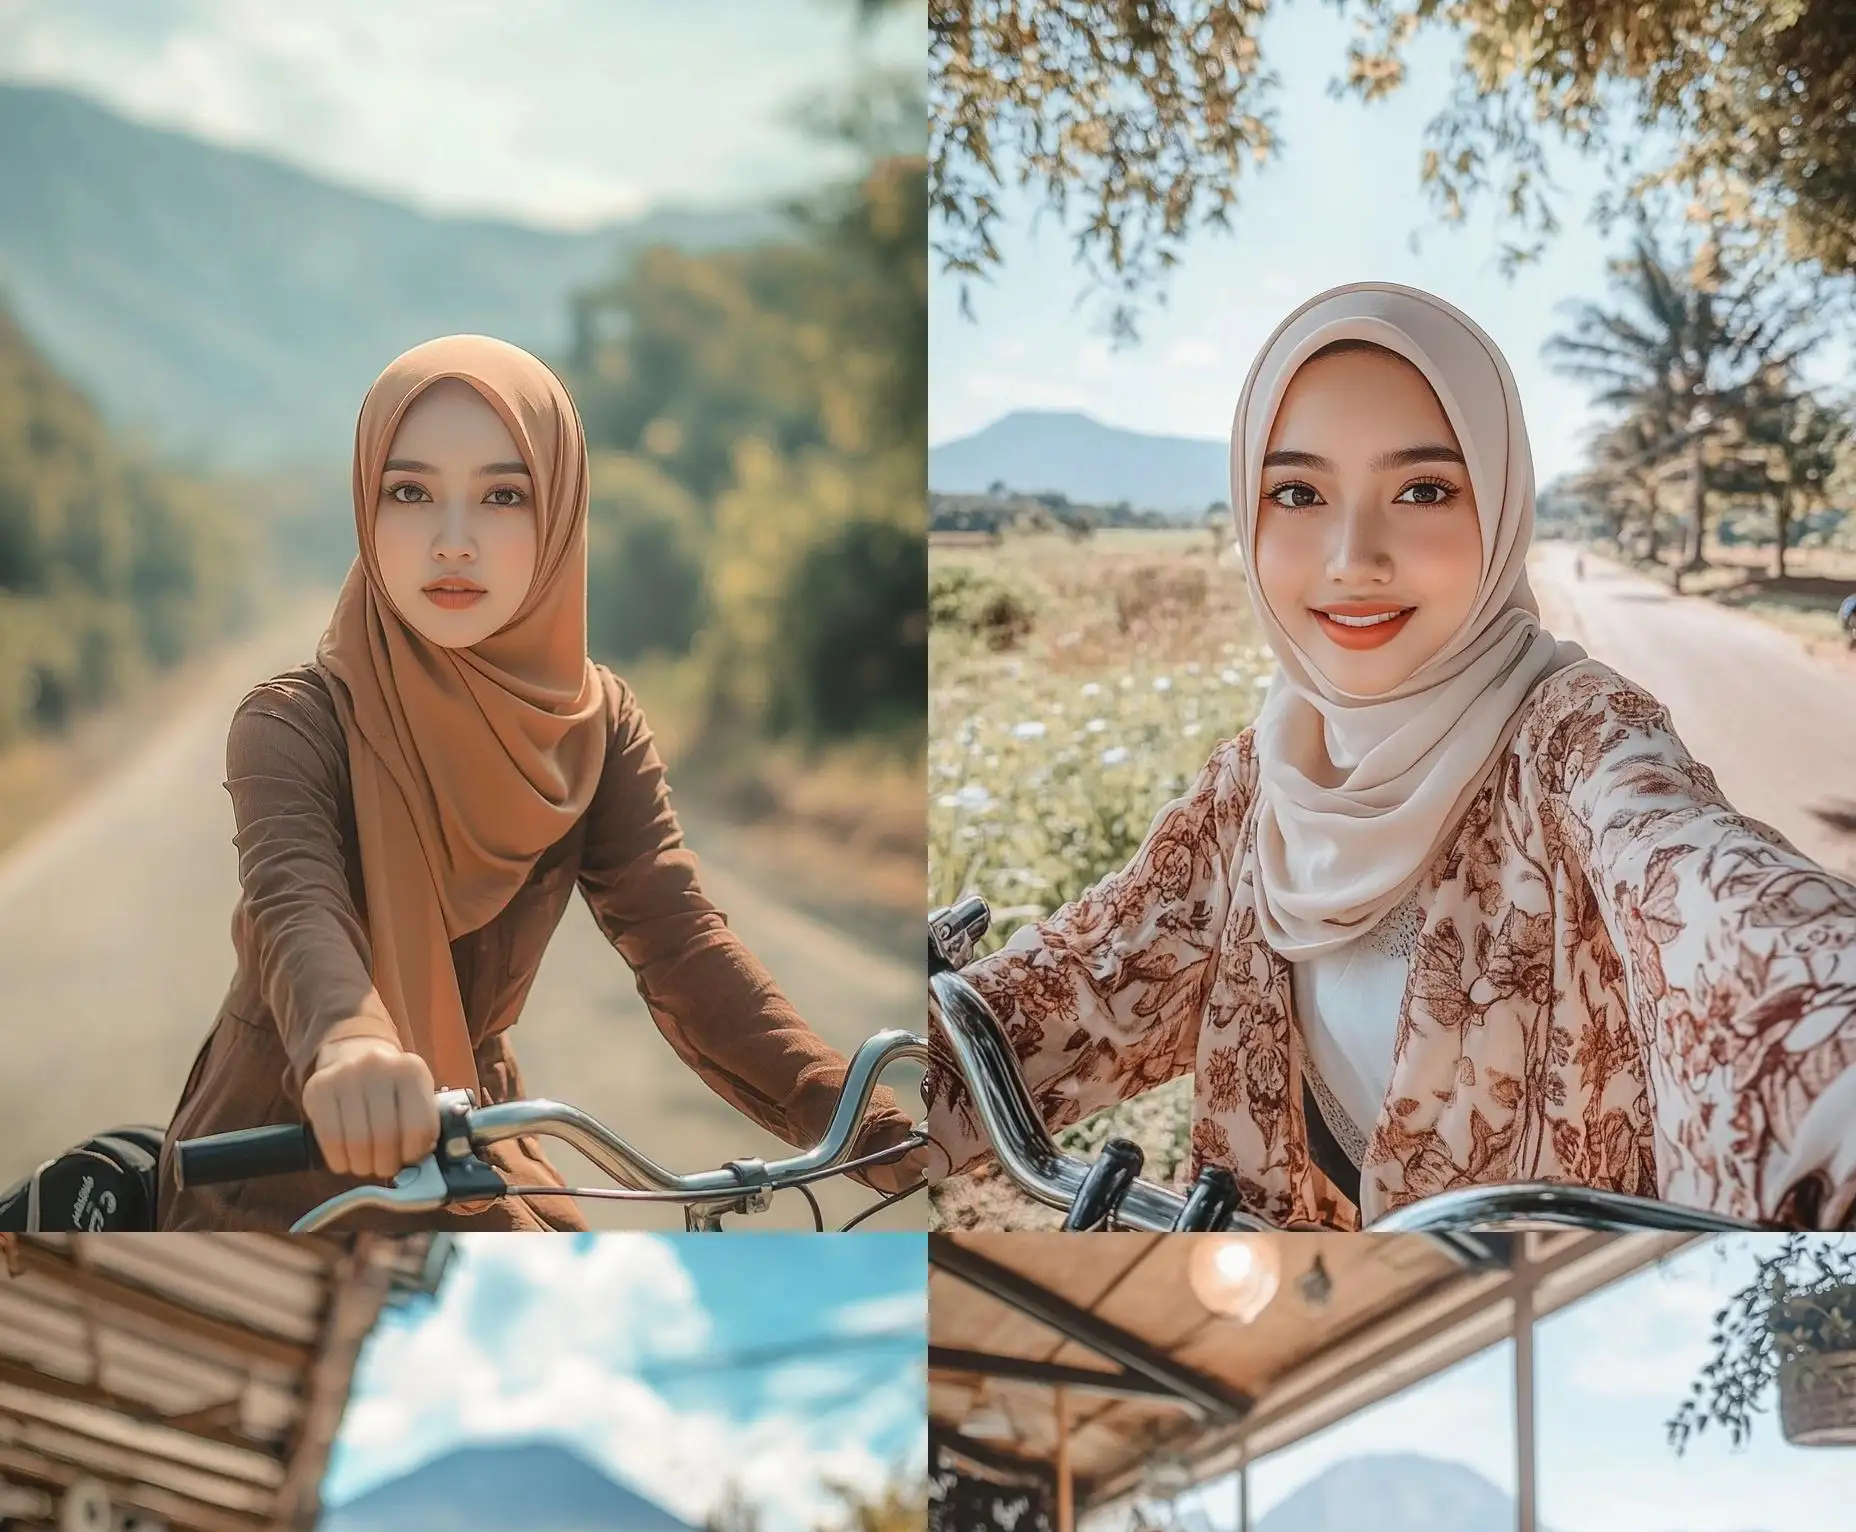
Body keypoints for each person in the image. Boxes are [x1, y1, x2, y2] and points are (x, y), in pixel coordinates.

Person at [925, 283, 1856, 1228]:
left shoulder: (1574, 740)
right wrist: (854, 1074)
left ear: (1499, 508)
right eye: (1297, 493)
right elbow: (1088, 980)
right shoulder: (1254, 789)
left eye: (1423, 491)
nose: (1352, 556)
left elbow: (1713, 902)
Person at [159, 335, 919, 1231]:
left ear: (558, 512)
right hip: (285, 1152)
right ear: (367, 505)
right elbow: (298, 907)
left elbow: (679, 941)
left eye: (503, 496)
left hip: (475, 1129)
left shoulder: (598, 727)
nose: (452, 542)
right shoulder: (292, 721)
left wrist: (858, 1118)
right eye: (410, 493)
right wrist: (351, 1047)